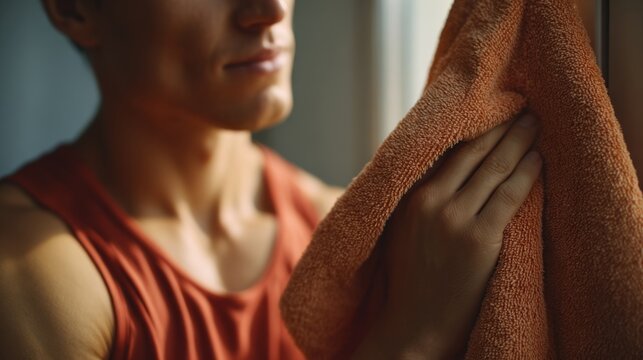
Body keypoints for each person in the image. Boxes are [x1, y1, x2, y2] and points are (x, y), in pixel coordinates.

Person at [0, 0, 542, 358]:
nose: (268, 10)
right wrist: (416, 337)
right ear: (74, 9)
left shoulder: (344, 232)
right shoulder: (28, 267)